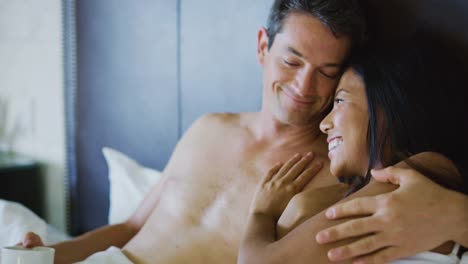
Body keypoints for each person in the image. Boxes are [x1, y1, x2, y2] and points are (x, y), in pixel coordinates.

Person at [20, 1, 468, 263]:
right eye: (292, 62)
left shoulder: (339, 172)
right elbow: (131, 226)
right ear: (262, 47)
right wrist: (51, 254)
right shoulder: (207, 129)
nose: (303, 87)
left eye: (328, 73)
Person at [239, 45, 468, 263]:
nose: (324, 124)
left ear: (391, 104)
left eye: (340, 100)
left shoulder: (421, 173)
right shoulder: (353, 195)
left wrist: (261, 214)